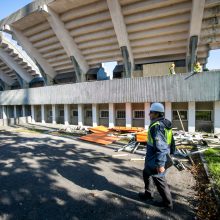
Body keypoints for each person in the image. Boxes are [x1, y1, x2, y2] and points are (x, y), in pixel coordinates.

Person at [139, 103, 176, 210]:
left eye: (151, 112)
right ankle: (148, 194)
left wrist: (160, 164)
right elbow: (172, 140)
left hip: (157, 157)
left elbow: (161, 147)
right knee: (146, 172)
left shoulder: (157, 127)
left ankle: (168, 204)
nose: (149, 114)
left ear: (156, 114)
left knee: (159, 178)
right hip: (153, 156)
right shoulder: (165, 123)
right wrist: (172, 152)